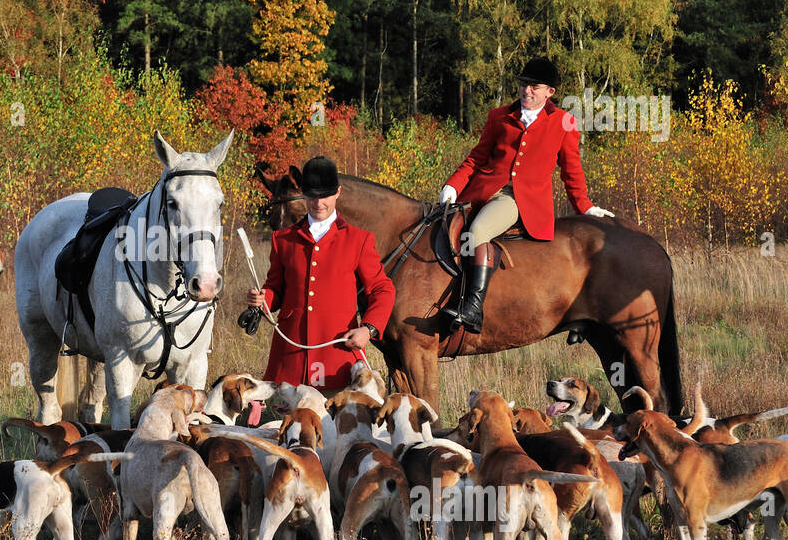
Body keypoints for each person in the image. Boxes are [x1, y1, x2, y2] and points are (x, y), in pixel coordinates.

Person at [438, 55, 612, 335]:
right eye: (523, 84)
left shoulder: (564, 123)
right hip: (480, 191)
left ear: (550, 92)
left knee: (478, 231)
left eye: (534, 86)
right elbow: (477, 157)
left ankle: (472, 308)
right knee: (440, 227)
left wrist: (586, 207)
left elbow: (572, 172)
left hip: (518, 200)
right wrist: (452, 186)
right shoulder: (499, 116)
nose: (527, 90)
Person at [244, 156, 395, 392]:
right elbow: (276, 291)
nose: (318, 203)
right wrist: (262, 300)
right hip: (291, 360)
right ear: (303, 194)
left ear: (337, 193)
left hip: (337, 357)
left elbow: (382, 289)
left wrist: (369, 329)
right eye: (312, 196)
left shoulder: (359, 240)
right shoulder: (282, 240)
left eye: (324, 195)